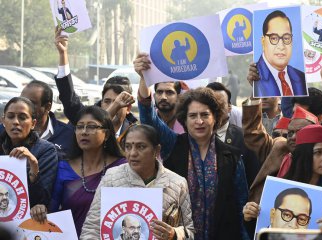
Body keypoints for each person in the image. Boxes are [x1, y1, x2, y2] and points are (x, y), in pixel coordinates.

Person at [135, 53, 249, 240]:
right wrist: (143, 78)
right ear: (184, 120)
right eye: (193, 116)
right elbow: (149, 117)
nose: (199, 121)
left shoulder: (232, 156)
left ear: (216, 117)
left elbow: (240, 205)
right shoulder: (173, 144)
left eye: (205, 115)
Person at [81, 124, 195, 240]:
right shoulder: (111, 177)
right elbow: (91, 228)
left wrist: (174, 234)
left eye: (141, 147)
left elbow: (189, 232)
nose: (132, 153)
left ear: (156, 150)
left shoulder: (177, 183)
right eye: (128, 147)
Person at [49, 106, 126, 237]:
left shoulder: (122, 167)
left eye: (91, 127)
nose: (84, 132)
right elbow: (52, 211)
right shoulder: (63, 167)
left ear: (106, 134)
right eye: (79, 127)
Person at [54, 27, 137, 147]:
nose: (112, 106)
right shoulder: (83, 119)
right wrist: (63, 54)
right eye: (107, 101)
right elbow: (68, 96)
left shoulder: (134, 133)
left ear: (128, 108)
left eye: (118, 102)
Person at [0, 97, 58, 219]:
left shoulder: (46, 150)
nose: (16, 122)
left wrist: (33, 165)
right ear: (3, 120)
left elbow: (41, 200)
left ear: (33, 123)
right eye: (10, 116)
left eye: (22, 117)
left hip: (24, 221)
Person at [255, 10, 307, 97]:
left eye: (286, 38)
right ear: (263, 42)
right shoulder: (254, 76)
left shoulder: (301, 77)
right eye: (274, 38)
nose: (281, 46)